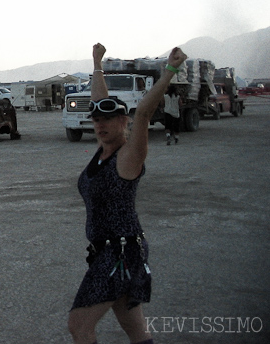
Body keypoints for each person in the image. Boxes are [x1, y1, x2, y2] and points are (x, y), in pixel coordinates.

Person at [67, 43, 187, 344]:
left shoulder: (128, 156)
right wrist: (97, 63)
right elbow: (100, 100)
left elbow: (145, 113)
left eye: (109, 120)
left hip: (120, 253)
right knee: (135, 329)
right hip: (110, 252)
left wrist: (169, 70)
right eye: (96, 120)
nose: (100, 124)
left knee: (79, 326)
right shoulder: (101, 153)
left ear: (125, 122)